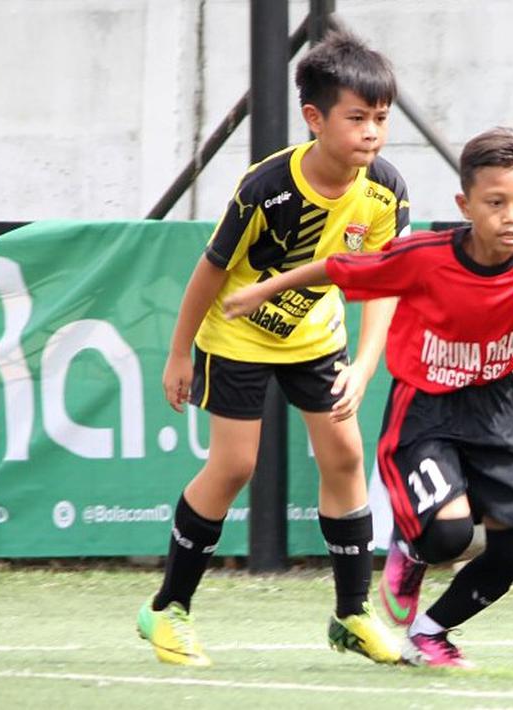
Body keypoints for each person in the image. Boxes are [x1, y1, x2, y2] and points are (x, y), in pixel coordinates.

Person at [223, 127, 513, 668]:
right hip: (425, 408)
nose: (511, 217)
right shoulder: (425, 257)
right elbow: (340, 267)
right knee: (449, 534)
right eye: (495, 203)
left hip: (496, 411)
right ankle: (412, 549)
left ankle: (431, 633)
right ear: (465, 204)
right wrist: (261, 290)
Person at [136, 30, 407, 667]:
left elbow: (384, 279)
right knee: (235, 467)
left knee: (344, 455)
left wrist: (366, 365)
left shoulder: (386, 189)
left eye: (382, 119)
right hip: (236, 336)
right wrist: (179, 355)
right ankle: (166, 609)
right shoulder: (267, 187)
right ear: (315, 119)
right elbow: (209, 270)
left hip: (317, 337)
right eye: (358, 118)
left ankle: (351, 614)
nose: (372, 132)